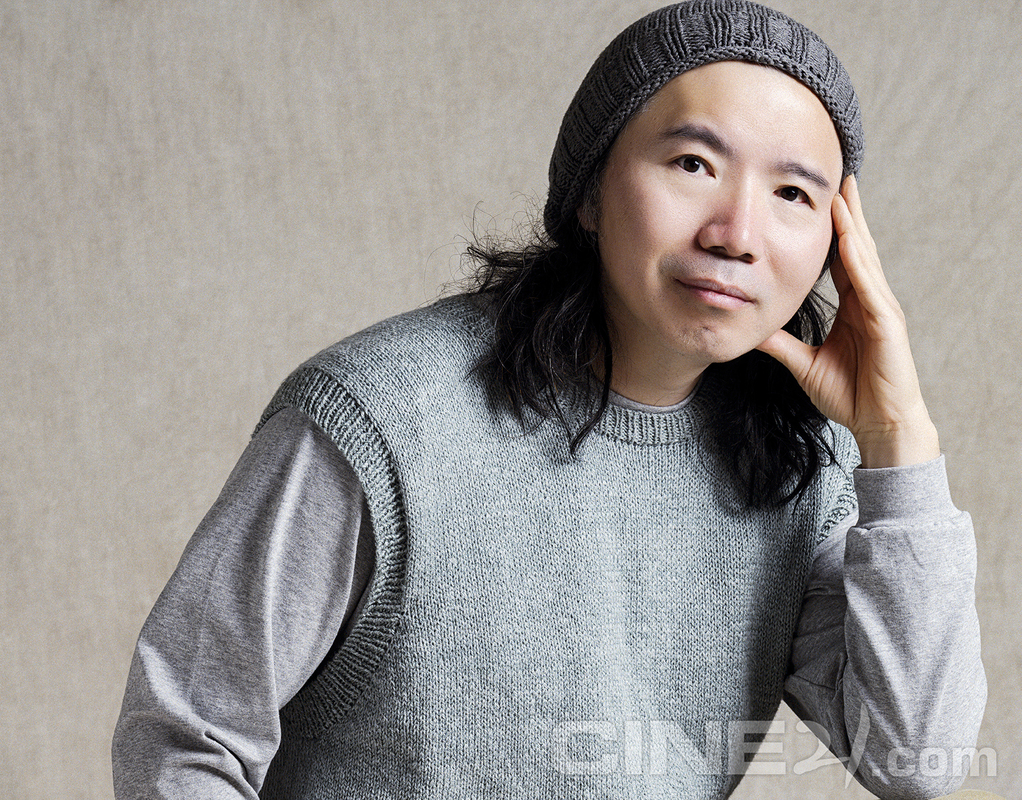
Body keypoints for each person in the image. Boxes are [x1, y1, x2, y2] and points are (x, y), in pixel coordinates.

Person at [112, 1, 986, 798]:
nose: (737, 235)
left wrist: (897, 439)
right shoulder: (382, 418)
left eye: (793, 194)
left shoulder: (800, 467)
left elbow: (918, 761)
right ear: (591, 194)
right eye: (692, 163)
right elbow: (185, 737)